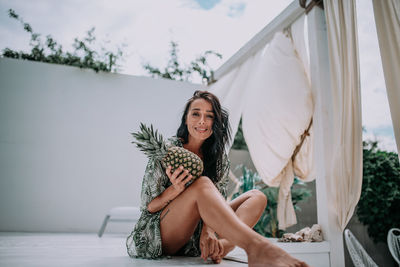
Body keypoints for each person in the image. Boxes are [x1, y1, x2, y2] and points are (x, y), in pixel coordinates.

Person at [127, 90, 309, 267]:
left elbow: (216, 201)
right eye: (195, 114)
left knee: (257, 196)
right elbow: (148, 206)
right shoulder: (166, 151)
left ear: (216, 122)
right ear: (186, 119)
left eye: (209, 116)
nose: (201, 121)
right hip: (161, 234)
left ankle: (222, 247)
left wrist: (209, 231)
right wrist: (175, 190)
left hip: (196, 235)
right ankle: (257, 247)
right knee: (203, 183)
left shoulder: (219, 157)